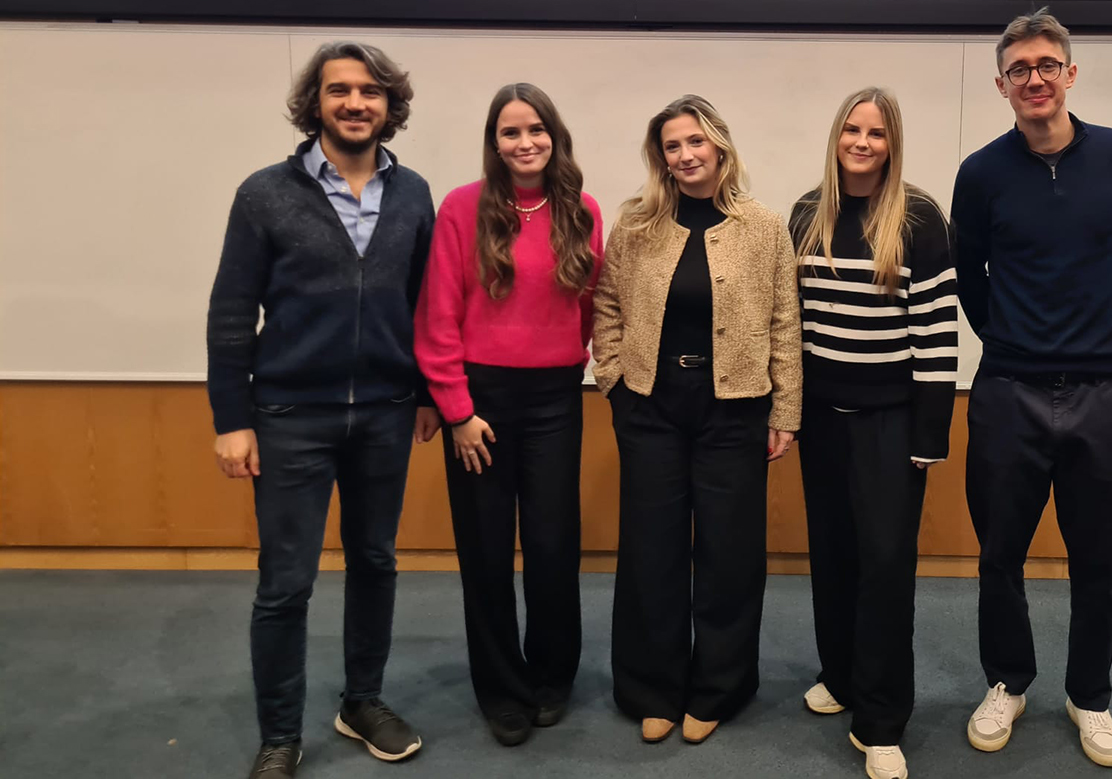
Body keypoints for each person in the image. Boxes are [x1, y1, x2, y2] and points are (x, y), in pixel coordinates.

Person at [207, 41, 439, 779]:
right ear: (316, 103)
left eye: (370, 91)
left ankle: (362, 701)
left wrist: (428, 393)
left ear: (389, 105)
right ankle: (280, 734)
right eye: (340, 90)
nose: (355, 103)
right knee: (286, 584)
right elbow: (231, 312)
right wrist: (231, 418)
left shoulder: (414, 193)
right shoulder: (264, 193)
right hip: (288, 416)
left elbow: (426, 305)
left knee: (375, 562)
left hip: (385, 414)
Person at [951, 8, 1112, 769]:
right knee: (999, 555)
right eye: (1019, 69)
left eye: (1047, 65)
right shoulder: (981, 173)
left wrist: (1100, 328)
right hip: (1008, 389)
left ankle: (1089, 695)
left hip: (1104, 391)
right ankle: (1008, 681)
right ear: (1002, 85)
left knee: (1099, 559)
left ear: (1070, 73)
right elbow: (969, 275)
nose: (1034, 78)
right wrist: (1011, 336)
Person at [592, 94, 801, 745]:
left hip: (734, 410)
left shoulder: (763, 227)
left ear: (719, 145)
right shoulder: (636, 225)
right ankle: (651, 689)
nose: (685, 155)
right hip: (650, 405)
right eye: (672, 146)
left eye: (695, 142)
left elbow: (784, 321)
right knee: (650, 551)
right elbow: (607, 304)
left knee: (728, 554)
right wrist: (614, 381)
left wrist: (786, 409)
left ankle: (717, 689)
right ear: (661, 157)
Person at [414, 83, 603, 747]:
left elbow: (588, 305)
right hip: (480, 402)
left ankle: (552, 676)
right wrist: (456, 409)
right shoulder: (462, 208)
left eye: (536, 129)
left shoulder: (581, 209)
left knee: (553, 546)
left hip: (555, 398)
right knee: (487, 550)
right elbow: (437, 313)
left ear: (555, 135)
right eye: (510, 132)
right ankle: (501, 688)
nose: (525, 142)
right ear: (494, 143)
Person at [789, 87, 957, 779]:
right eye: (852, 130)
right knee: (833, 557)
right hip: (822, 422)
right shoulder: (807, 214)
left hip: (891, 424)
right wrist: (788, 413)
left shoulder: (919, 218)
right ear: (836, 137)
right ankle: (841, 675)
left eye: (877, 133)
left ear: (892, 145)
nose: (862, 142)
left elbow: (938, 334)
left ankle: (882, 720)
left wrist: (930, 435)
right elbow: (794, 325)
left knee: (885, 569)